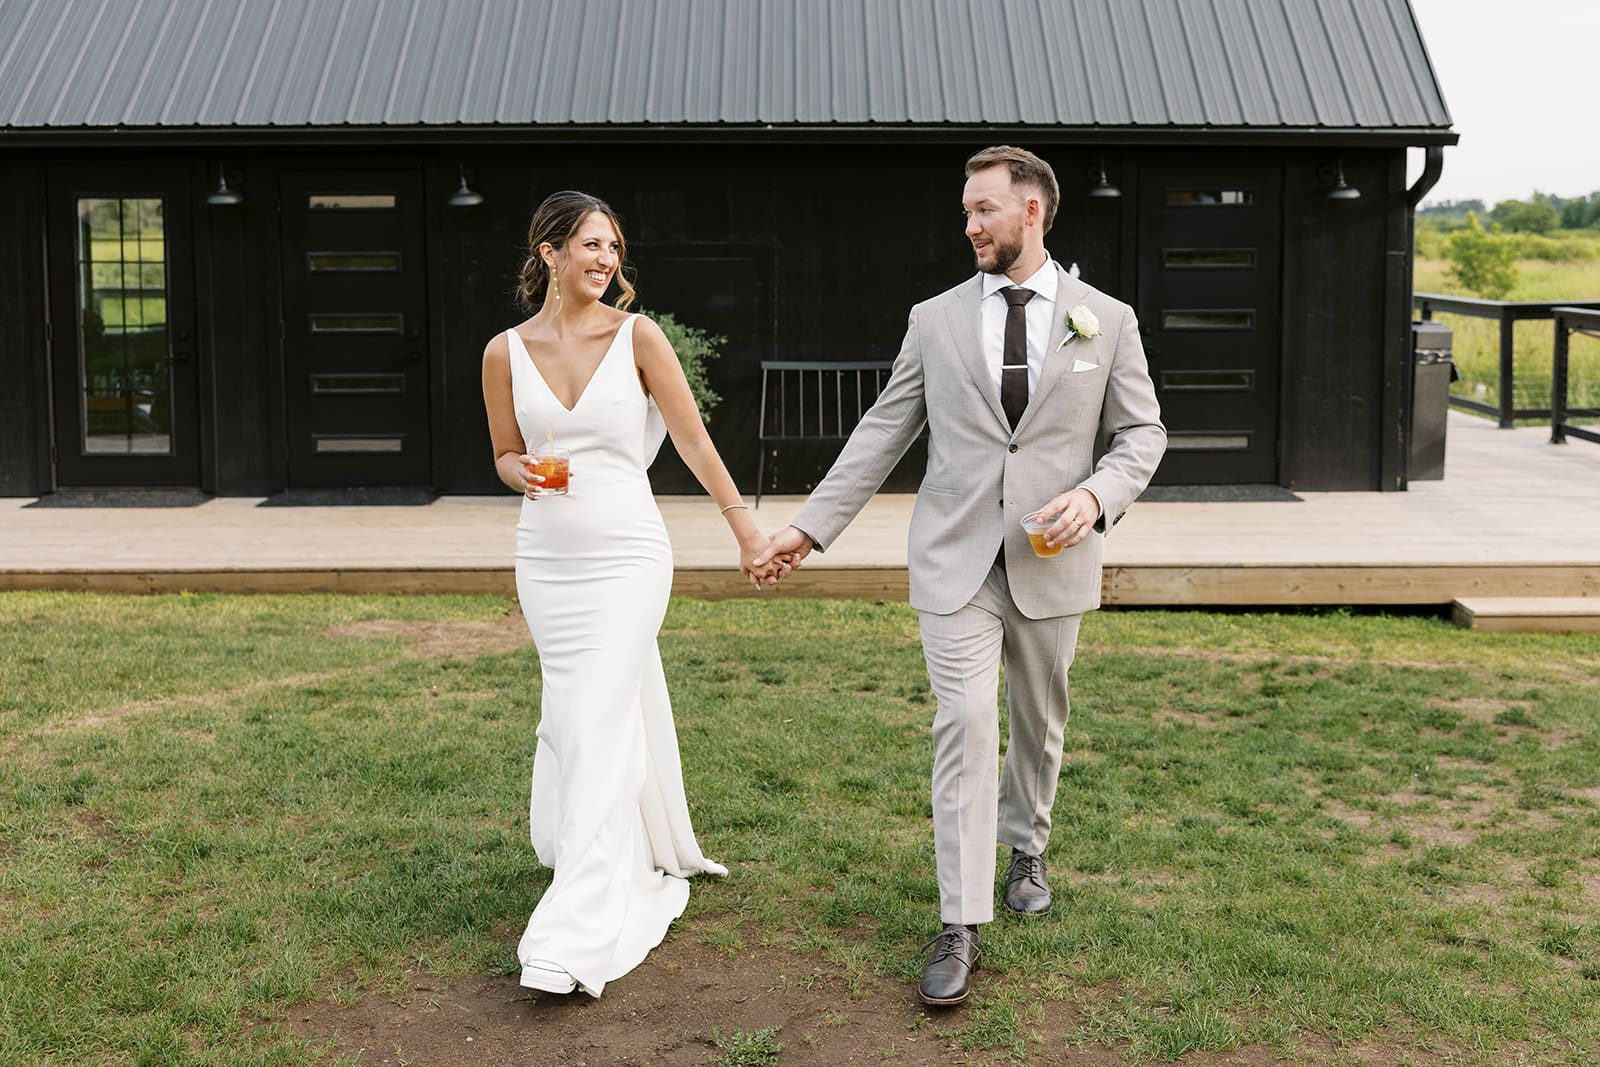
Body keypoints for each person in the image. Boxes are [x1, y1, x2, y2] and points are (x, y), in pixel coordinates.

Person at [753, 146, 1166, 1006]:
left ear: (1031, 213)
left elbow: (1142, 436)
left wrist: (1095, 498)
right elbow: (883, 428)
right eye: (967, 212)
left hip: (1054, 558)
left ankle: (1029, 845)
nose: (969, 226)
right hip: (955, 560)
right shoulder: (933, 319)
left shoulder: (1107, 319)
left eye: (983, 210)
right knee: (968, 725)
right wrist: (808, 526)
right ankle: (959, 921)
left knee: (1037, 720)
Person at [481, 190, 784, 998]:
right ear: (548, 252)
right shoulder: (503, 352)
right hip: (547, 561)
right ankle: (604, 848)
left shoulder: (638, 336)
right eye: (590, 244)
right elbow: (505, 454)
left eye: (613, 247)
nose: (606, 260)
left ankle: (572, 930)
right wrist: (527, 474)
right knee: (576, 715)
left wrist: (746, 531)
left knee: (596, 716)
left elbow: (691, 438)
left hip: (628, 555)